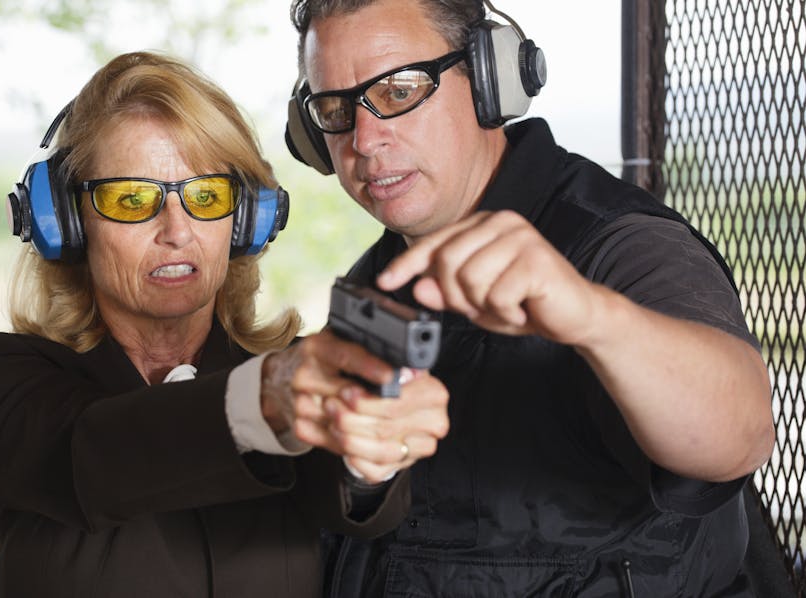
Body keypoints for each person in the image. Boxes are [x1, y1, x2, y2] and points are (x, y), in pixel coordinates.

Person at [285, 0, 776, 595]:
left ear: (490, 80)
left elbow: (738, 434)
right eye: (336, 109)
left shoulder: (618, 244)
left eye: (399, 91)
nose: (364, 139)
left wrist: (593, 317)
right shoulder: (375, 280)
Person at [0, 50, 449, 597]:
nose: (176, 230)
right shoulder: (3, 383)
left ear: (245, 220)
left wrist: (371, 450)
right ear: (67, 221)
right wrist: (261, 403)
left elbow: (353, 500)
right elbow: (96, 456)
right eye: (131, 198)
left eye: (207, 196)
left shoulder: (293, 376)